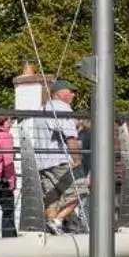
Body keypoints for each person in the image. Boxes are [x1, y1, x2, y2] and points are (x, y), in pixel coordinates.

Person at [35, 81, 85, 233]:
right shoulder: (62, 108)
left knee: (52, 198)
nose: (73, 95)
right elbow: (71, 137)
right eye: (70, 91)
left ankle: (53, 229)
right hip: (59, 161)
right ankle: (58, 219)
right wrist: (77, 160)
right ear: (59, 94)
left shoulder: (41, 109)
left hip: (42, 162)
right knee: (81, 190)